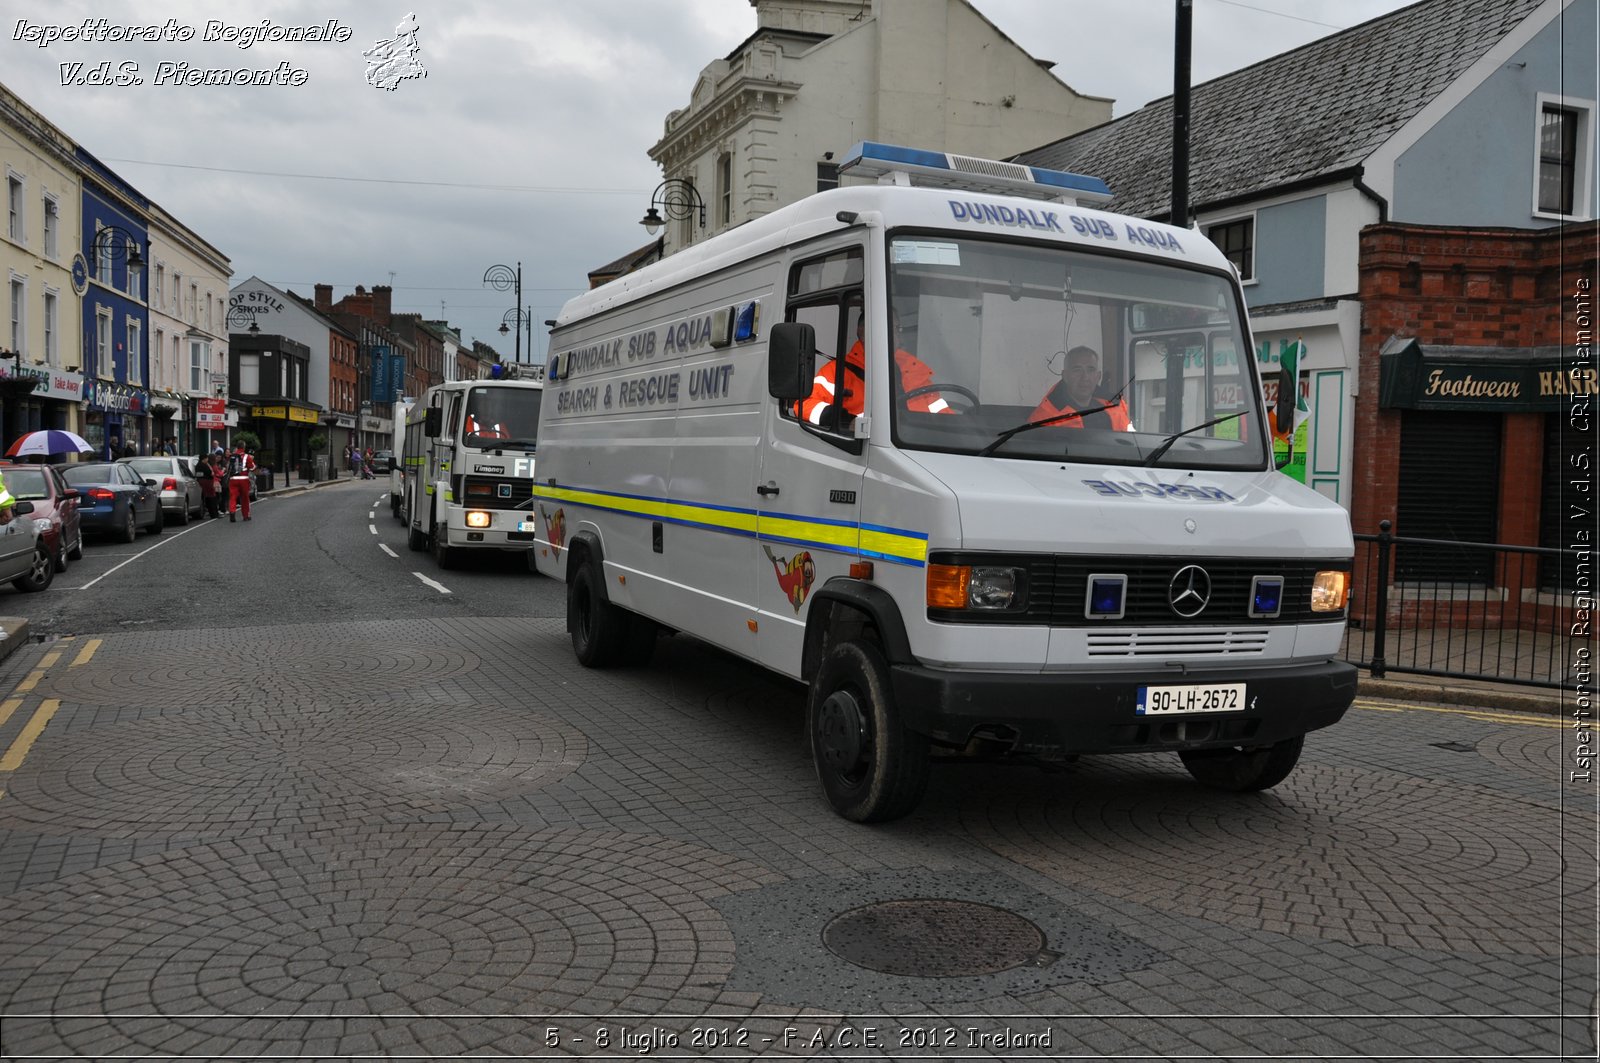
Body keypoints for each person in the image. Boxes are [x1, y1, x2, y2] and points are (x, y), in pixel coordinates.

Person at [798, 310, 955, 427]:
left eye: (898, 329)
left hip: (917, 452)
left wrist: (961, 428)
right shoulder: (837, 372)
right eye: (889, 328)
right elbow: (804, 405)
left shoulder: (916, 373)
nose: (897, 335)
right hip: (865, 454)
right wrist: (848, 422)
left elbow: (942, 416)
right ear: (863, 333)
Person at [1029, 345, 1132, 430]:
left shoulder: (1115, 407)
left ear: (1098, 376)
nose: (1085, 377)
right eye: (1077, 370)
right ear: (1065, 376)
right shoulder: (1046, 417)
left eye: (1090, 370)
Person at [226, 442, 256, 522]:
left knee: (233, 497)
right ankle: (246, 516)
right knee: (245, 498)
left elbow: (228, 467)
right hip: (243, 479)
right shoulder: (247, 456)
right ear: (244, 447)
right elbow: (253, 468)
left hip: (233, 479)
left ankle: (232, 512)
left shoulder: (231, 456)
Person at [195, 454, 221, 519]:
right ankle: (214, 514)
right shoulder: (204, 466)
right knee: (212, 498)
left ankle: (213, 513)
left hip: (203, 482)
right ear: (204, 459)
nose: (207, 460)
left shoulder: (198, 465)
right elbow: (211, 473)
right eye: (206, 458)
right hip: (207, 483)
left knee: (208, 498)